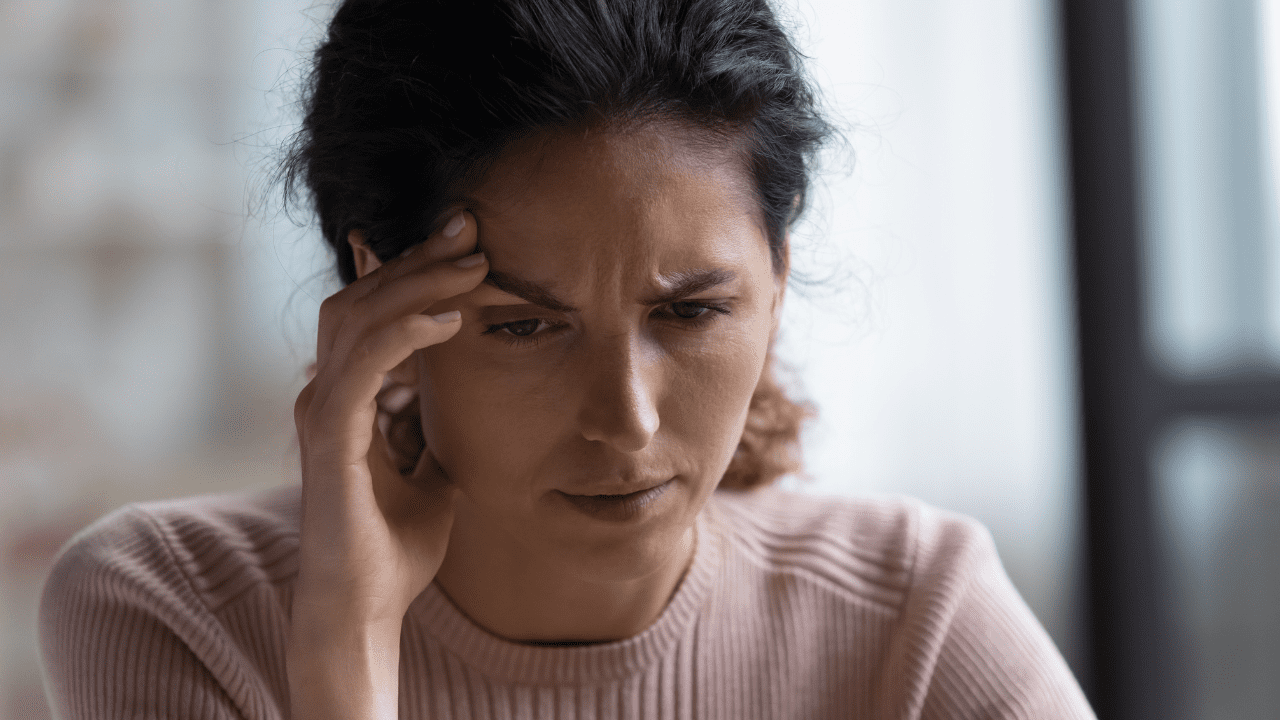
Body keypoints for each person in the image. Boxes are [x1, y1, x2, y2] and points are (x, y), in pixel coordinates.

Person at [38, 0, 1096, 718]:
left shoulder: (912, 612)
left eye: (688, 314)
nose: (625, 418)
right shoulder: (169, 608)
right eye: (523, 325)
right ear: (374, 299)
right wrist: (345, 647)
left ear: (774, 280)